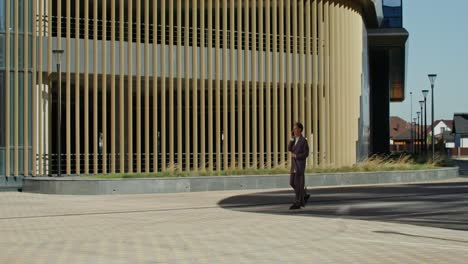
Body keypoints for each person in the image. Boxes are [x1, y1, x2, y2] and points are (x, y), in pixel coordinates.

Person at [287, 122, 310, 210]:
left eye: (295, 128)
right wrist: (291, 139)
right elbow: (289, 148)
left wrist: (297, 156)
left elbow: (306, 153)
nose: (294, 130)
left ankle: (297, 202)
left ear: (300, 129)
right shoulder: (294, 139)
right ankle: (303, 194)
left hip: (299, 166)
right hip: (294, 166)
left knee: (298, 184)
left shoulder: (303, 141)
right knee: (292, 183)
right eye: (293, 129)